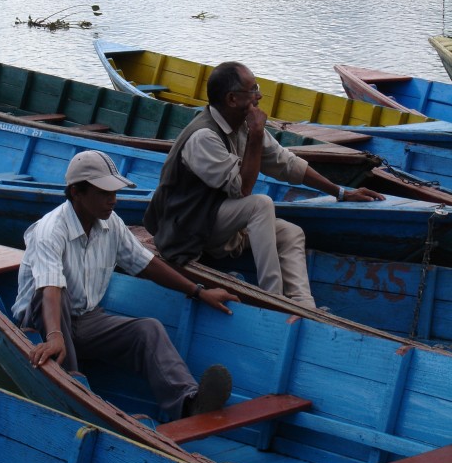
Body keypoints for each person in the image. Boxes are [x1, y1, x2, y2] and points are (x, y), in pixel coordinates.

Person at [12, 149, 238, 422]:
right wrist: (54, 336)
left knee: (148, 329)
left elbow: (147, 264)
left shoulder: (111, 224)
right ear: (76, 193)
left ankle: (189, 404)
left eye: (114, 192)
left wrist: (199, 291)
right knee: (57, 294)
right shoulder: (50, 230)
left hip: (85, 319)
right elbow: (49, 287)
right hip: (42, 320)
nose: (113, 200)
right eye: (104, 193)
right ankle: (72, 390)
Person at [144, 61, 385, 308]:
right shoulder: (204, 136)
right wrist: (256, 136)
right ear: (232, 99)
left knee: (291, 233)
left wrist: (342, 192)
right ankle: (273, 299)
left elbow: (286, 163)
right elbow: (243, 189)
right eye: (253, 90)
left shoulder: (243, 125)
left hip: (216, 223)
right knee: (260, 204)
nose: (259, 96)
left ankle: (303, 306)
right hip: (187, 229)